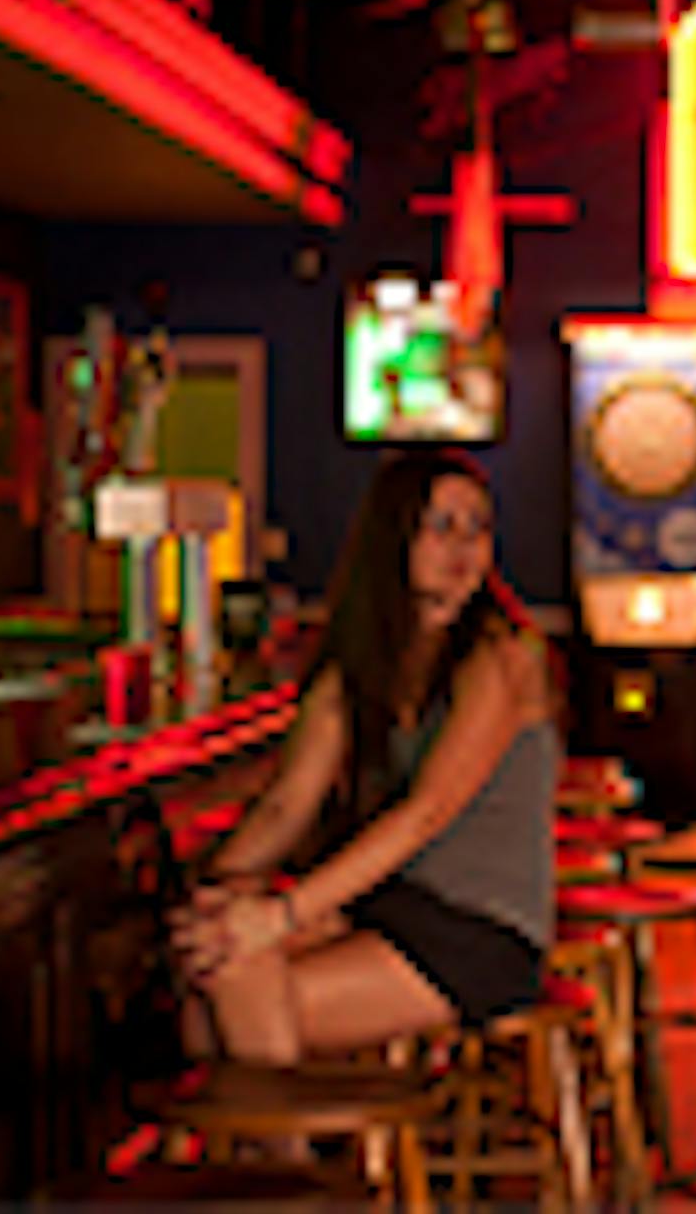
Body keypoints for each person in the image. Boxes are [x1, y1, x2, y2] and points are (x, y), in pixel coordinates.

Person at [171, 449, 559, 1067]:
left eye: (478, 528)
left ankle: (292, 1163)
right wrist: (212, 899)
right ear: (393, 536)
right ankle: (296, 1156)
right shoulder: (360, 661)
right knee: (209, 996)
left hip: (481, 930)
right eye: (440, 526)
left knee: (240, 992)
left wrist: (279, 916)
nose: (463, 548)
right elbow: (286, 805)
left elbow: (424, 814)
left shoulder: (503, 656)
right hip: (389, 905)